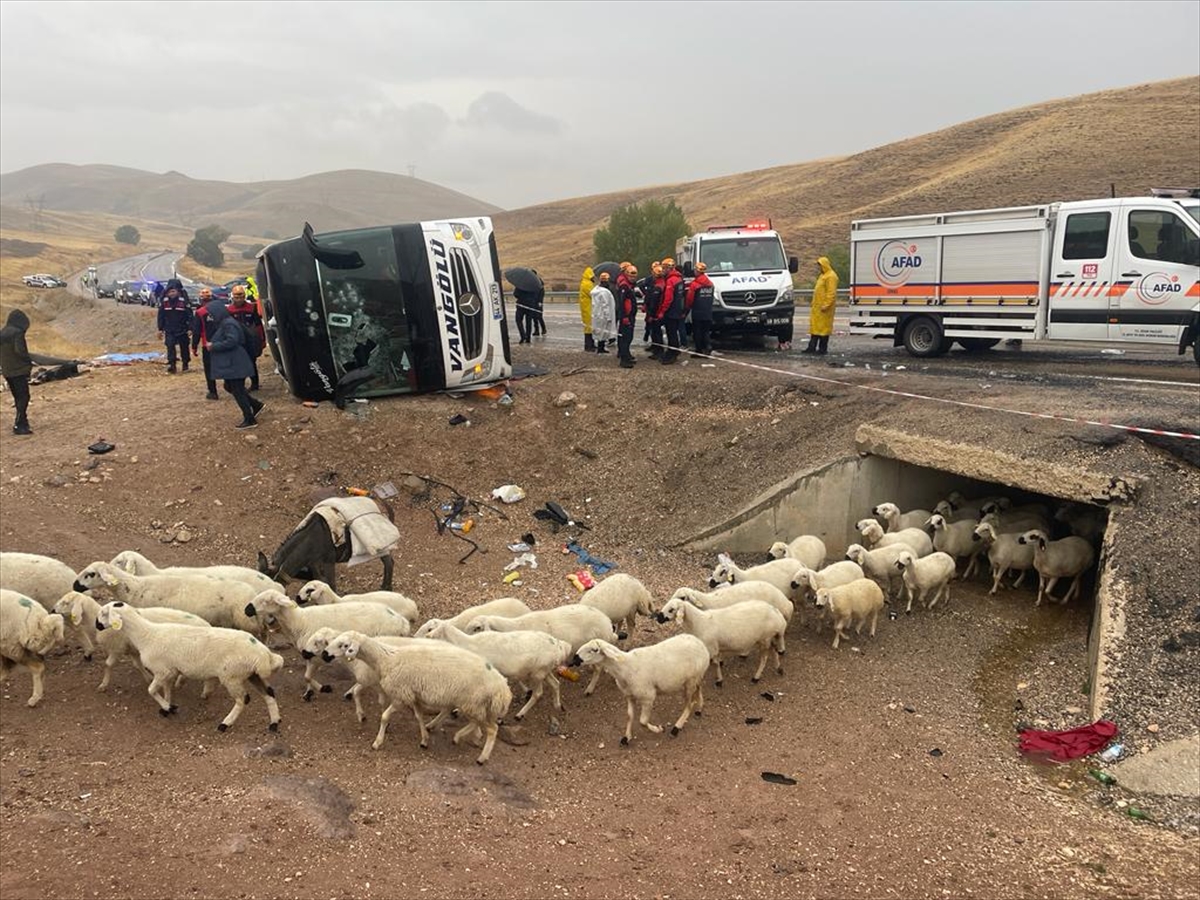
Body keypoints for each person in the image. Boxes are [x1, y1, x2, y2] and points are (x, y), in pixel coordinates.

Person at [0, 309, 73, 435]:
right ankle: (20, 424)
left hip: (7, 371)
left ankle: (22, 421)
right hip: (18, 371)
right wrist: (29, 361)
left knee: (18, 397)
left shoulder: (3, 333)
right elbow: (20, 351)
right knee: (24, 397)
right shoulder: (17, 333)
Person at [205, 303, 263, 429]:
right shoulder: (226, 323)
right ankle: (256, 405)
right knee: (230, 387)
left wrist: (214, 346)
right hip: (233, 362)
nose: (210, 316)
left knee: (237, 390)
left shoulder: (228, 324)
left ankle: (250, 419)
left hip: (236, 362)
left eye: (211, 314)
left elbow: (232, 341)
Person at [227, 284, 265, 391]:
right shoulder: (229, 310)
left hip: (250, 340)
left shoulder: (252, 308)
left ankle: (255, 384)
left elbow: (258, 325)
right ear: (232, 296)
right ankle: (240, 385)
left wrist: (262, 339)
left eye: (241, 296)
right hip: (237, 341)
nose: (239, 299)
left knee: (251, 362)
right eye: (236, 296)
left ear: (244, 296)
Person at [803, 256, 838, 355]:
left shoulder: (831, 276)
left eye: (820, 265)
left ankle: (822, 349)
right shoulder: (822, 276)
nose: (818, 268)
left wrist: (826, 305)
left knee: (824, 330)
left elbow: (831, 293)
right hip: (817, 308)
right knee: (815, 328)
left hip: (824, 309)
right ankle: (812, 347)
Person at [191, 287, 221, 399]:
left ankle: (213, 391)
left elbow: (196, 331)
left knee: (209, 369)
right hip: (223, 342)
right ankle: (230, 385)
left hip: (207, 344)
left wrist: (194, 346)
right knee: (226, 364)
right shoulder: (221, 309)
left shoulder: (200, 312)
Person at [156, 280, 192, 374]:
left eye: (173, 291)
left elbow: (190, 315)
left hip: (182, 328)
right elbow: (161, 315)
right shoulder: (164, 302)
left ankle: (185, 364)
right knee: (170, 345)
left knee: (184, 346)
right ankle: (172, 365)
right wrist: (160, 329)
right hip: (169, 328)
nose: (171, 293)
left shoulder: (184, 301)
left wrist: (190, 328)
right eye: (170, 292)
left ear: (178, 291)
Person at [658, 257, 685, 364]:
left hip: (671, 311)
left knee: (671, 332)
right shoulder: (679, 279)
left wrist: (662, 311)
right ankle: (674, 350)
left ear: (667, 268)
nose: (663, 271)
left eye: (664, 268)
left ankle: (672, 353)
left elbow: (668, 298)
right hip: (678, 309)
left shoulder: (670, 280)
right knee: (674, 332)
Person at [686, 262, 715, 357]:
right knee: (706, 331)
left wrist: (687, 308)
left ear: (697, 271)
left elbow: (690, 299)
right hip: (708, 311)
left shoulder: (694, 285)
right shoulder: (710, 284)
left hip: (697, 311)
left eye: (695, 270)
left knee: (697, 331)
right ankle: (708, 346)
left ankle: (699, 350)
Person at [616, 264, 639, 368]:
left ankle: (626, 355)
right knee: (626, 337)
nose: (633, 278)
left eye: (634, 277)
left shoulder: (629, 285)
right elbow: (621, 302)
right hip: (626, 316)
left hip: (630, 315)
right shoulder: (624, 286)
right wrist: (624, 316)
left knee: (628, 337)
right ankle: (624, 359)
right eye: (631, 276)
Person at [589, 271, 617, 354]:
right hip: (603, 315)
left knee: (600, 331)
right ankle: (600, 348)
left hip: (597, 313)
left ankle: (600, 347)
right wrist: (608, 316)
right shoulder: (604, 292)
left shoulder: (596, 290)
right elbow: (606, 305)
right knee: (603, 331)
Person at [644, 262, 665, 358]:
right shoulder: (661, 284)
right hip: (657, 311)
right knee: (656, 332)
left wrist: (651, 315)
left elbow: (654, 302)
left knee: (656, 333)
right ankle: (657, 349)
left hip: (655, 313)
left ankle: (658, 351)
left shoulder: (658, 286)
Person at [578, 267, 595, 351]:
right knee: (588, 327)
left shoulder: (585, 282)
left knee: (589, 326)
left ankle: (590, 344)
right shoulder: (587, 284)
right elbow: (592, 294)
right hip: (587, 307)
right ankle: (588, 345)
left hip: (587, 306)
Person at [529, 271, 547, 337]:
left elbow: (541, 293)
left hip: (538, 302)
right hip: (533, 302)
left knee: (539, 316)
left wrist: (540, 301)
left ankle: (543, 329)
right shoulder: (531, 283)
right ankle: (536, 330)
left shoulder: (539, 282)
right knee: (534, 317)